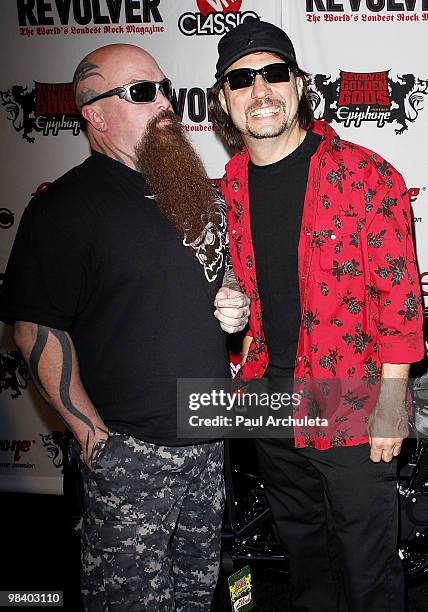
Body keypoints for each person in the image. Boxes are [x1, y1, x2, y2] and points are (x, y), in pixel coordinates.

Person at [0, 43, 250, 612]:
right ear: (93, 111)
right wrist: (94, 440)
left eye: (163, 88)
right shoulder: (66, 207)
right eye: (142, 92)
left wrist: (233, 298)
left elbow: (217, 278)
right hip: (131, 454)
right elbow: (34, 331)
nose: (164, 103)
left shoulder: (191, 192)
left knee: (195, 597)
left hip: (208, 443)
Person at [208, 17, 424, 612]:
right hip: (267, 398)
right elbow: (247, 278)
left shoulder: (365, 174)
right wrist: (232, 306)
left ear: (299, 85)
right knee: (305, 558)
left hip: (352, 396)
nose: (261, 90)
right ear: (223, 100)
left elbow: (401, 297)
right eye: (242, 79)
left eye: (274, 73)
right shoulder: (227, 187)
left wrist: (391, 402)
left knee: (368, 563)